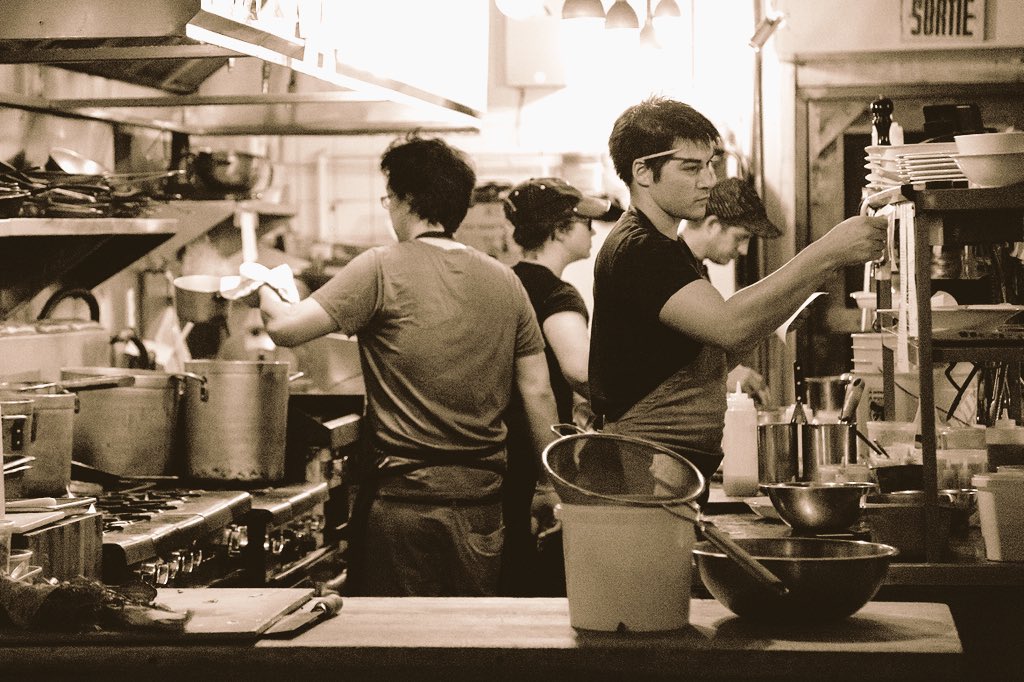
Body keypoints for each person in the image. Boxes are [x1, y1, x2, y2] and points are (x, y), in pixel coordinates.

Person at [253, 134, 560, 597]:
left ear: (407, 200)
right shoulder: (505, 281)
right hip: (483, 503)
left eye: (388, 198)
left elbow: (286, 329)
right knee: (470, 647)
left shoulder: (380, 266)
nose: (388, 208)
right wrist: (549, 487)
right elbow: (537, 392)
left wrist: (261, 282)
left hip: (403, 504)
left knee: (401, 649)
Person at [589, 95, 887, 491]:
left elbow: (725, 342)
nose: (709, 180)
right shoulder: (640, 248)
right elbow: (730, 326)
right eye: (691, 167)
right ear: (643, 172)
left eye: (711, 164)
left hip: (668, 462)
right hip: (645, 464)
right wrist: (829, 251)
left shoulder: (670, 249)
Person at [499, 177, 609, 596]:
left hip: (499, 451)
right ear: (560, 230)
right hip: (538, 455)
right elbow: (579, 368)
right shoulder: (556, 294)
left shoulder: (502, 282)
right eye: (584, 222)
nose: (593, 231)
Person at [680, 176, 783, 406]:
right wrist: (727, 376)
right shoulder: (676, 271)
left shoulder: (695, 268)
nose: (744, 250)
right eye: (741, 237)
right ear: (712, 225)